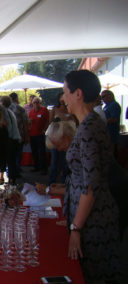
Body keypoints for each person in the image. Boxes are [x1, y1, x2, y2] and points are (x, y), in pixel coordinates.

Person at [62, 70, 120, 283]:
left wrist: (76, 228)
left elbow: (90, 187)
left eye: (65, 92)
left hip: (93, 221)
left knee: (93, 275)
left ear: (78, 94)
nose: (63, 98)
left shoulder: (89, 129)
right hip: (90, 215)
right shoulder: (90, 123)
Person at [47, 92, 74, 185]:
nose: (62, 100)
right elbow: (50, 123)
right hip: (56, 138)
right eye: (61, 98)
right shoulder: (55, 109)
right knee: (54, 161)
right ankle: (51, 181)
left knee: (66, 162)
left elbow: (75, 122)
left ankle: (65, 182)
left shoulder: (71, 109)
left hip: (67, 139)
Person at [0, 96, 20, 185]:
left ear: (1, 103)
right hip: (16, 139)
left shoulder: (5, 113)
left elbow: (8, 127)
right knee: (12, 161)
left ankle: (11, 181)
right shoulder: (11, 112)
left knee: (10, 162)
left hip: (10, 139)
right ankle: (12, 179)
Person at [9, 92, 29, 176]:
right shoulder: (20, 108)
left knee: (11, 156)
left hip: (9, 136)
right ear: (16, 98)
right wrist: (27, 135)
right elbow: (25, 123)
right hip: (19, 134)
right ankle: (16, 170)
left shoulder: (6, 109)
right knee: (18, 153)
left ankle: (12, 172)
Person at [28, 97, 49, 175]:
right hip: (32, 134)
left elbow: (47, 121)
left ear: (40, 103)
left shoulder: (44, 110)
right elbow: (29, 123)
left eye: (37, 102)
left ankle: (44, 168)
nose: (36, 104)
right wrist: (29, 122)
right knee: (34, 152)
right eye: (34, 103)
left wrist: (45, 130)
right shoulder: (31, 112)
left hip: (40, 134)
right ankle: (36, 166)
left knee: (42, 152)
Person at [102, 89, 121, 156]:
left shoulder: (114, 105)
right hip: (106, 134)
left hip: (111, 133)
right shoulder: (106, 106)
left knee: (111, 154)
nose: (102, 99)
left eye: (103, 96)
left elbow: (114, 119)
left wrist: (102, 121)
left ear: (110, 96)